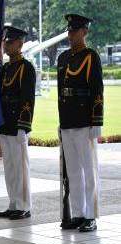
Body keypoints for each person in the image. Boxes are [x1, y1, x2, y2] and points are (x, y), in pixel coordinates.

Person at [58, 14, 103, 232]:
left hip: (85, 119)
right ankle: (77, 213)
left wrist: (97, 120)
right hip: (68, 119)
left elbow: (97, 89)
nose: (71, 35)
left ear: (84, 31)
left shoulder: (91, 56)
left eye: (75, 31)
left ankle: (91, 215)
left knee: (88, 169)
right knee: (73, 170)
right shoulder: (63, 58)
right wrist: (61, 121)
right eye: (69, 31)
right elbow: (60, 92)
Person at [0, 26, 36, 220]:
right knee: (9, 166)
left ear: (20, 43)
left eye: (10, 42)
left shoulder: (26, 68)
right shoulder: (5, 68)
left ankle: (23, 205)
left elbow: (27, 99)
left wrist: (24, 125)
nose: (6, 45)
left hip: (17, 123)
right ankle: (13, 203)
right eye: (5, 42)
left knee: (20, 167)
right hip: (5, 123)